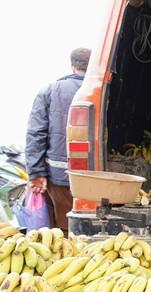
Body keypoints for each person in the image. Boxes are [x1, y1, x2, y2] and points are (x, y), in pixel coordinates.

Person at [25, 48, 91, 233]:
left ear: (72, 66)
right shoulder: (102, 91)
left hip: (59, 176)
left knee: (63, 230)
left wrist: (36, 173)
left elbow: (36, 133)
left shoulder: (50, 90)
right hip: (97, 178)